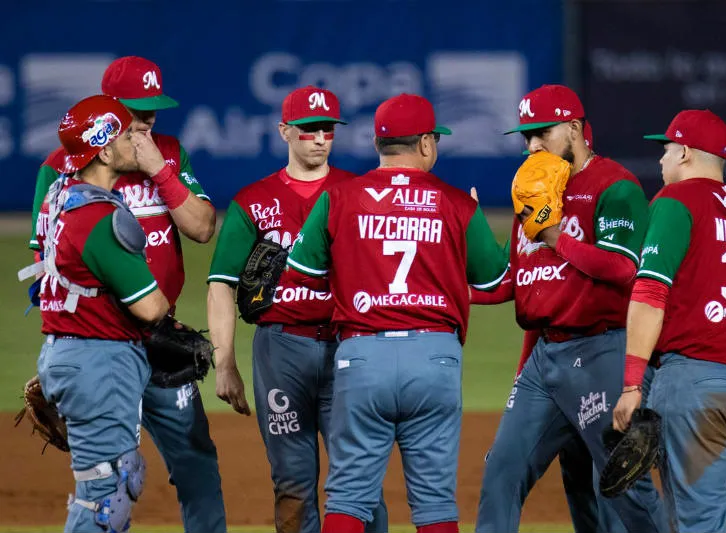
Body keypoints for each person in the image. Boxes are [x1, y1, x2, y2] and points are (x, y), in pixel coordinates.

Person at [286, 93, 508, 533]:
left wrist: (355, 278)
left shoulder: (340, 197)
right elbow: (496, 282)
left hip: (362, 358)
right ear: (426, 144)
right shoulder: (458, 204)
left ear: (376, 143)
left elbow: (302, 275)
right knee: (435, 503)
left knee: (348, 498)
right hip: (435, 359)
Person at [28, 56, 225, 533]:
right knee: (109, 485)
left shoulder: (170, 153)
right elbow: (44, 275)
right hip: (103, 348)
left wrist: (160, 170)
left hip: (161, 346)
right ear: (107, 111)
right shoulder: (60, 170)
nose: (146, 120)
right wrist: (72, 351)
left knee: (196, 465)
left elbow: (202, 229)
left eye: (153, 109)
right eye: (135, 109)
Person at [475, 84, 666, 533]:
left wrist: (555, 236)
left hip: (601, 351)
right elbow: (511, 281)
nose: (533, 144)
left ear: (576, 129)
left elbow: (623, 268)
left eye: (542, 132)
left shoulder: (614, 186)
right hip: (545, 361)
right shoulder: (535, 192)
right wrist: (439, 288)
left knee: (620, 487)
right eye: (526, 136)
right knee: (502, 471)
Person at [207, 85, 388, 533]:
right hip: (280, 351)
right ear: (285, 131)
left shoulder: (358, 191)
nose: (321, 137)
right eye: (309, 129)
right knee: (292, 481)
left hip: (349, 347)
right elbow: (221, 285)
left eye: (327, 128)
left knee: (360, 480)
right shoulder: (253, 201)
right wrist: (224, 362)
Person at [613, 109, 726, 533]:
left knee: (696, 525)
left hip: (696, 388)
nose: (661, 159)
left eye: (666, 149)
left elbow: (650, 294)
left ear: (685, 152)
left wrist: (632, 385)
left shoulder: (676, 202)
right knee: (700, 515)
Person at [34, 95, 170, 533]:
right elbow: (150, 307)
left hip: (67, 349)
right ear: (105, 151)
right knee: (108, 495)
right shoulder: (98, 215)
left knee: (107, 486)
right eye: (128, 134)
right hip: (99, 364)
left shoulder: (61, 194)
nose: (139, 139)